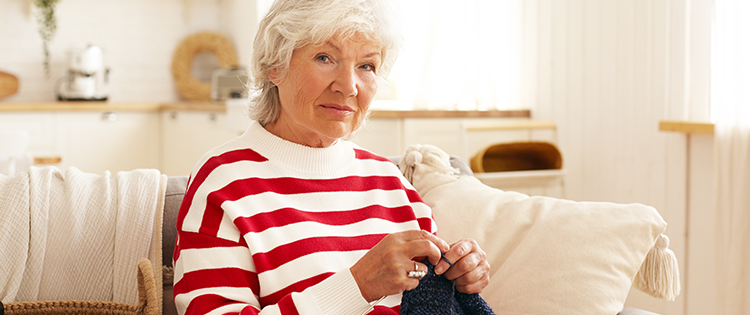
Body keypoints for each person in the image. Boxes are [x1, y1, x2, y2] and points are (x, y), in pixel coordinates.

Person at [173, 0, 490, 313]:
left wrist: (460, 274)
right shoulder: (223, 181)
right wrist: (359, 286)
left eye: (367, 66)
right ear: (275, 65)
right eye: (325, 58)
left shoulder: (391, 181)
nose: (349, 86)